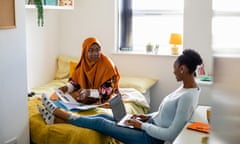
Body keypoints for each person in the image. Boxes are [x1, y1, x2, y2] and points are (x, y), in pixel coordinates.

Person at [37, 49, 203, 144]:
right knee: (103, 114)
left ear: (182, 69)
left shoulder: (188, 96)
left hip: (151, 139)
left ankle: (59, 112)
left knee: (101, 122)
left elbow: (171, 134)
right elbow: (165, 116)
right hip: (149, 125)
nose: (173, 71)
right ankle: (54, 119)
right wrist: (146, 117)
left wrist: (142, 126)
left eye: (175, 68)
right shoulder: (184, 87)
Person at [50, 37, 120, 104]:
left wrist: (89, 92)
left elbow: (108, 90)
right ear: (85, 52)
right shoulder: (82, 65)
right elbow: (75, 83)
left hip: (103, 98)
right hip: (85, 97)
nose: (95, 53)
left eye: (98, 50)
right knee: (62, 98)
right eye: (91, 50)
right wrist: (66, 88)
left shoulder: (107, 64)